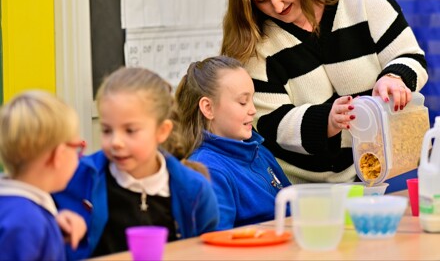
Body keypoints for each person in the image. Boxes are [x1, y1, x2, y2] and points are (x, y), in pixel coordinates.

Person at [220, 0, 428, 185]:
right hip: (302, 188)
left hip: (380, 170)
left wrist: (395, 77)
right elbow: (270, 123)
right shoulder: (253, 42)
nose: (277, 6)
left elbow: (411, 56)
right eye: (261, 0)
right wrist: (326, 121)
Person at [53, 67, 219, 260]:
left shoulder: (194, 191)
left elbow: (207, 250)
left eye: (130, 131)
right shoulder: (77, 178)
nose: (116, 141)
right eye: (107, 130)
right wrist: (53, 224)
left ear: (162, 131)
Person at [175, 55, 291, 230]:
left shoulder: (260, 151)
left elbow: (293, 205)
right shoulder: (209, 170)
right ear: (208, 108)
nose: (253, 110)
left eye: (252, 99)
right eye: (243, 102)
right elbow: (216, 243)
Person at [0, 90, 87, 261]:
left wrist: (53, 226)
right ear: (59, 155)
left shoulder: (20, 212)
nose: (79, 157)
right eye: (78, 148)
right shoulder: (26, 223)